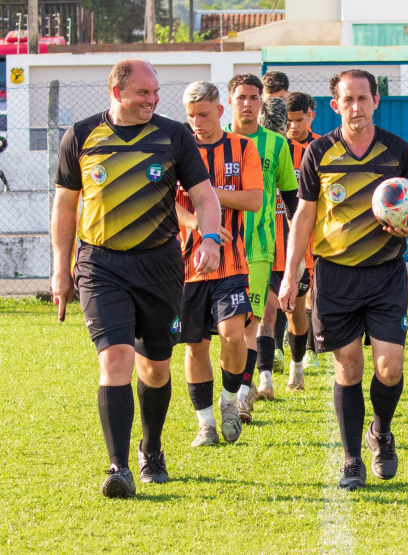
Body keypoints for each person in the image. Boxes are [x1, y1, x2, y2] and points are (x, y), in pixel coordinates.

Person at [50, 59, 221, 498]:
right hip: (100, 265)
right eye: (143, 93)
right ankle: (118, 467)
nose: (153, 100)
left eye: (155, 92)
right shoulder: (83, 135)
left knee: (157, 367)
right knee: (116, 358)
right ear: (116, 90)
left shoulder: (173, 135)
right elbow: (65, 206)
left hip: (159, 265)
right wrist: (60, 267)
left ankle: (152, 447)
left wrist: (210, 238)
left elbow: (204, 196)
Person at [278, 69, 408, 490]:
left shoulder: (398, 151)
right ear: (335, 105)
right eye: (348, 100)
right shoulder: (319, 152)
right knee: (349, 367)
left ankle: (381, 429)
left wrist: (407, 225)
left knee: (389, 367)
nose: (356, 107)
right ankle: (352, 459)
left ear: (376, 101)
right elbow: (303, 215)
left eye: (364, 98)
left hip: (385, 274)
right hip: (335, 276)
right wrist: (291, 275)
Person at [176, 81, 264, 447]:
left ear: (220, 112)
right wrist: (198, 220)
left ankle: (230, 401)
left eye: (204, 114)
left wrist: (207, 196)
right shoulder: (178, 150)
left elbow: (254, 200)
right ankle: (206, 424)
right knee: (194, 346)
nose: (197, 122)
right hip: (186, 268)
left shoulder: (242, 148)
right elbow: (168, 203)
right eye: (191, 115)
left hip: (232, 264)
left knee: (231, 335)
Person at [223, 74, 299, 417]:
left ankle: (241, 392)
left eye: (254, 97)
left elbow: (292, 198)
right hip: (217, 247)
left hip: (258, 247)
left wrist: (302, 249)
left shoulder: (276, 145)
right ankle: (237, 384)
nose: (247, 104)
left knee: (249, 322)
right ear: (230, 101)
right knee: (224, 331)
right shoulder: (213, 140)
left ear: (261, 102)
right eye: (241, 97)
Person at [257, 97, 314, 391]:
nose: (288, 129)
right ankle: (264, 377)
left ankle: (297, 365)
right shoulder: (255, 148)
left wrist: (304, 251)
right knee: (265, 312)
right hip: (263, 244)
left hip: (295, 246)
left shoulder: (309, 151)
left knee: (296, 311)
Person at [279, 91, 322, 374]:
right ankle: (283, 344)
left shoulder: (322, 147)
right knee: (286, 289)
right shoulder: (278, 146)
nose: (293, 126)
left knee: (313, 291)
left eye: (298, 119)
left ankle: (309, 348)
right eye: (289, 120)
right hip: (283, 229)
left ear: (311, 115)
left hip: (316, 229)